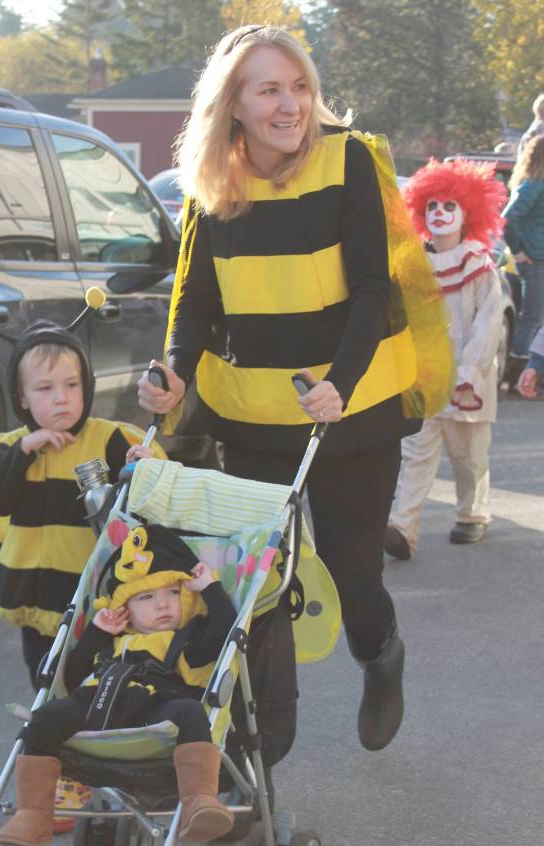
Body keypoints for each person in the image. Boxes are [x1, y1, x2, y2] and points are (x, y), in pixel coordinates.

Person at [137, 25, 452, 753]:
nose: (291, 104)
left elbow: (374, 289)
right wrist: (175, 370)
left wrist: (339, 383)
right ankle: (268, 738)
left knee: (350, 572)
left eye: (300, 86)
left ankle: (381, 655)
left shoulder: (348, 161)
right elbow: (194, 302)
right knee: (259, 578)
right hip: (252, 409)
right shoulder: (212, 181)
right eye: (269, 89)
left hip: (353, 404)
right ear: (234, 104)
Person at [0, 305, 158, 831]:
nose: (61, 399)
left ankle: (89, 776)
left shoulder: (106, 439)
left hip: (93, 601)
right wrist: (26, 449)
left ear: (87, 388)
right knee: (46, 687)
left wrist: (140, 467)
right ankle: (59, 786)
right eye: (46, 390)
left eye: (72, 386)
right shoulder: (10, 450)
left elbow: (141, 503)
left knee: (90, 691)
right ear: (23, 399)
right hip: (34, 597)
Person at [0, 524, 237, 846]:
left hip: (154, 706)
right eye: (147, 597)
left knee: (192, 711)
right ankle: (33, 813)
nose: (162, 605)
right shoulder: (113, 641)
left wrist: (209, 588)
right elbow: (72, 677)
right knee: (43, 717)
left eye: (174, 593)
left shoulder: (186, 639)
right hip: (96, 701)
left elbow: (224, 630)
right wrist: (97, 632)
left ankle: (199, 801)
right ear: (126, 607)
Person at [384, 159, 505, 558]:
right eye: (432, 206)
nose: (439, 213)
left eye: (449, 206)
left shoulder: (480, 265)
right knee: (416, 455)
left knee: (468, 456)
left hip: (469, 379)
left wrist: (468, 372)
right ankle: (403, 527)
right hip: (425, 379)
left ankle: (472, 515)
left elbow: (488, 325)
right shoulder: (414, 265)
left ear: (466, 213)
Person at [502, 135, 544, 385]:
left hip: (536, 258)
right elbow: (507, 220)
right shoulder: (532, 186)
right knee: (532, 317)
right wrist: (518, 252)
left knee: (533, 316)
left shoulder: (534, 185)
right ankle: (518, 374)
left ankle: (524, 373)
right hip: (533, 261)